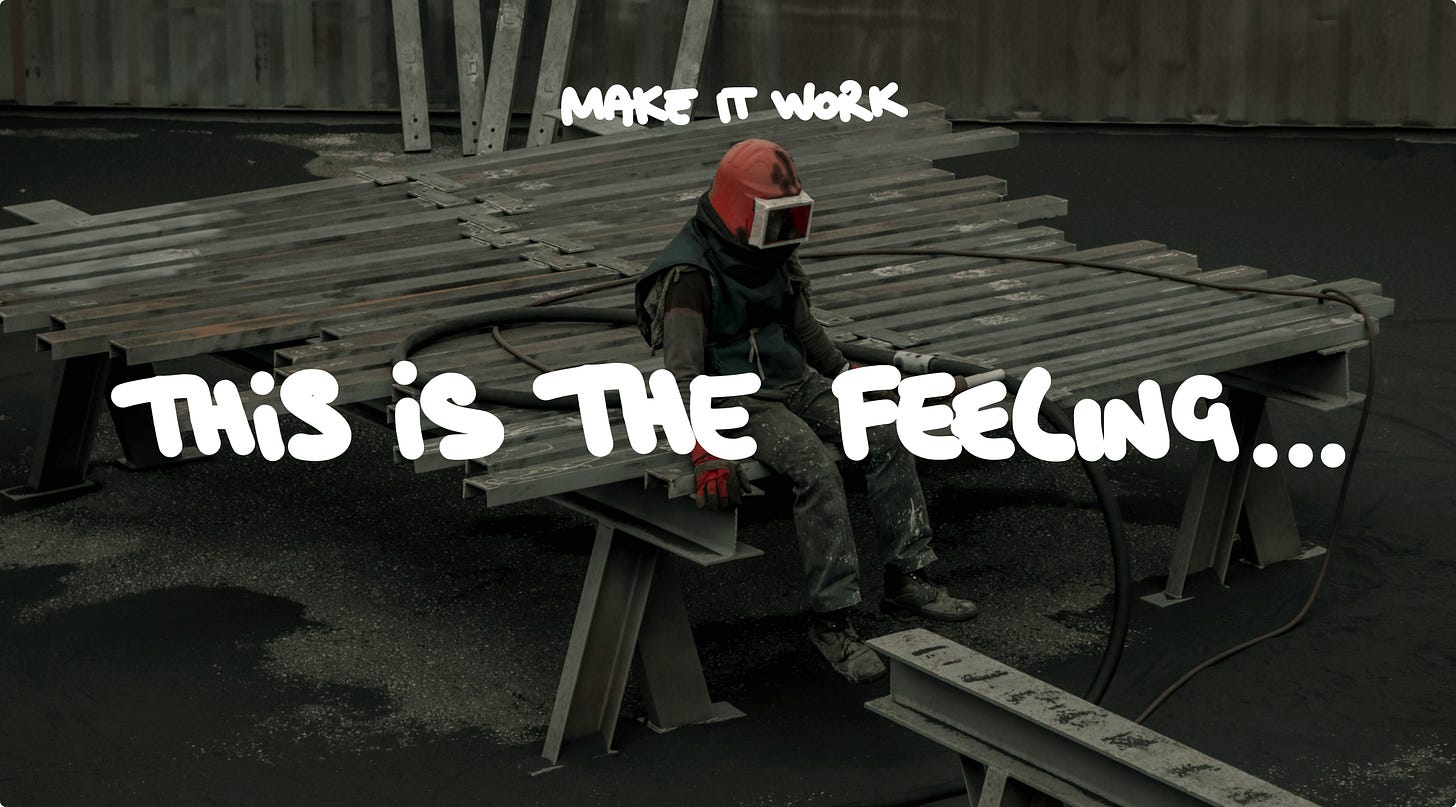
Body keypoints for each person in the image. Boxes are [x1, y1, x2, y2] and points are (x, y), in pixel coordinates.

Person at [633, 139, 977, 684]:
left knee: (886, 435)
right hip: (737, 398)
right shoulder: (690, 275)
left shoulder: (771, 249)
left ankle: (908, 576)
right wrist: (704, 449)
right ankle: (832, 621)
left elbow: (800, 323)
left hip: (794, 379)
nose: (786, 232)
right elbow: (681, 376)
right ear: (742, 211)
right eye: (776, 217)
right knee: (816, 469)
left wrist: (842, 373)